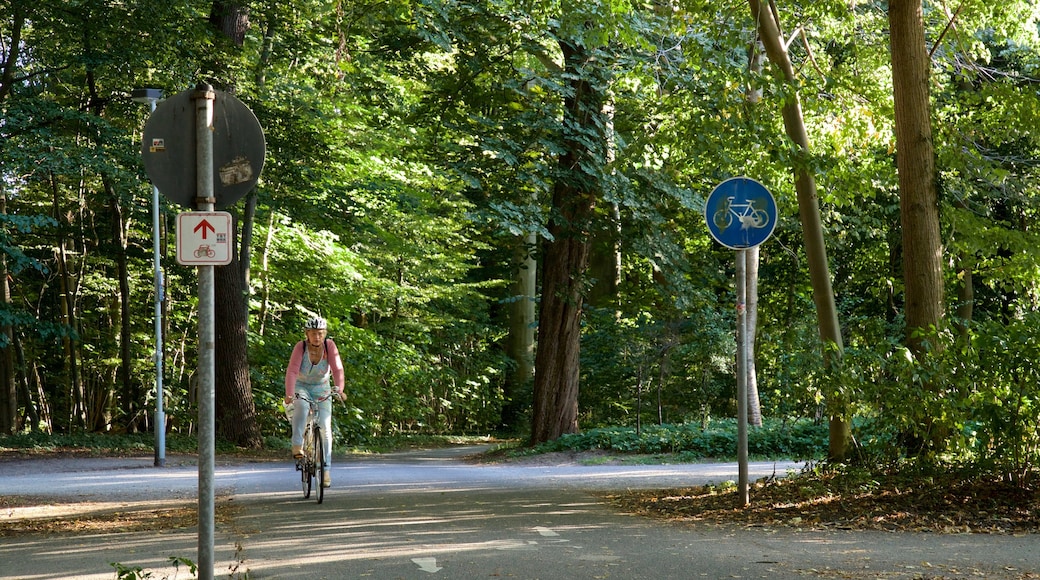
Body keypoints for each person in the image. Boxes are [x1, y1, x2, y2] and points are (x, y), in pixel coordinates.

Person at [284, 316, 345, 488]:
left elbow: (337, 369)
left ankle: (325, 470)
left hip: (322, 388)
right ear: (307, 334)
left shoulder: (329, 346)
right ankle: (297, 445)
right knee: (301, 407)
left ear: (324, 334)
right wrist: (289, 394)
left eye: (320, 333)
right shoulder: (300, 347)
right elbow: (292, 371)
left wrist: (339, 389)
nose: (317, 337)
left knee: (325, 428)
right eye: (313, 333)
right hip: (301, 386)